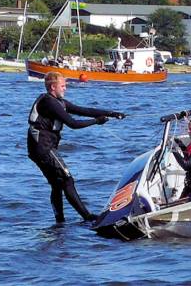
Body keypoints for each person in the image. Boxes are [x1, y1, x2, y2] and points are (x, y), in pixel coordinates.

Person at [27, 71, 125, 223]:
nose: (65, 88)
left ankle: (59, 221)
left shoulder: (58, 101)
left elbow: (84, 111)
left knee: (57, 184)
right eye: (63, 86)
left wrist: (111, 113)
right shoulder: (49, 102)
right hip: (43, 148)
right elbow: (73, 124)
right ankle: (87, 217)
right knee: (67, 180)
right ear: (53, 87)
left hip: (40, 148)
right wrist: (96, 121)